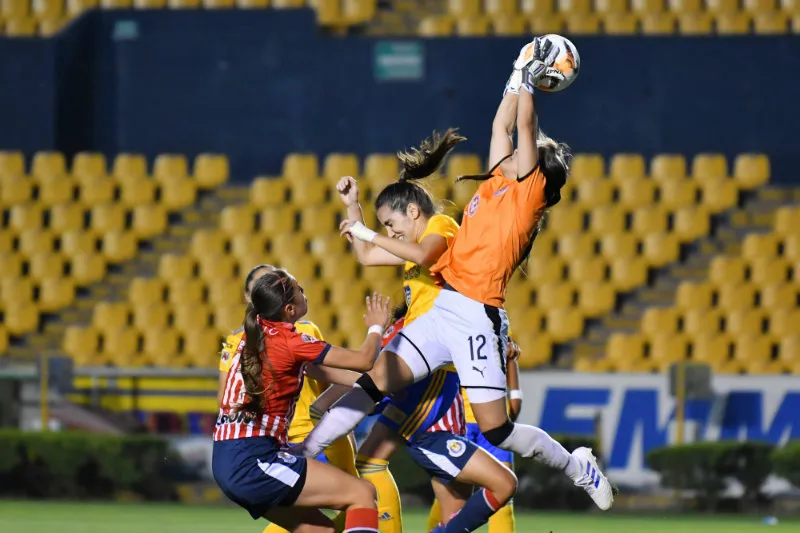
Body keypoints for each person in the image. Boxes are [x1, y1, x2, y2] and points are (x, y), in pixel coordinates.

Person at [300, 37, 615, 523]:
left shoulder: (527, 193)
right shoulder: (497, 183)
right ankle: (304, 451)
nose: (506, 154)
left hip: (476, 316)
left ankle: (576, 464)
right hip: (444, 307)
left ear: (534, 171)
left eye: (517, 155)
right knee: (377, 380)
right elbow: (501, 122)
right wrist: (516, 72)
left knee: (498, 432)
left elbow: (524, 124)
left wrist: (531, 79)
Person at [213, 268, 390, 533]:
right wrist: (377, 327)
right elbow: (364, 359)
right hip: (253, 460)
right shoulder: (290, 339)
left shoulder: (252, 333)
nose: (304, 293)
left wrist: (366, 384)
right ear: (289, 309)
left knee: (319, 531)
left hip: (228, 458)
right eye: (300, 291)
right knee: (362, 493)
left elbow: (310, 369)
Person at [425, 337, 523, 533]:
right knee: (452, 498)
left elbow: (508, 362)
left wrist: (513, 376)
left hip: (495, 422)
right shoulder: (451, 325)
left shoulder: (500, 322)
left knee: (503, 493)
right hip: (461, 421)